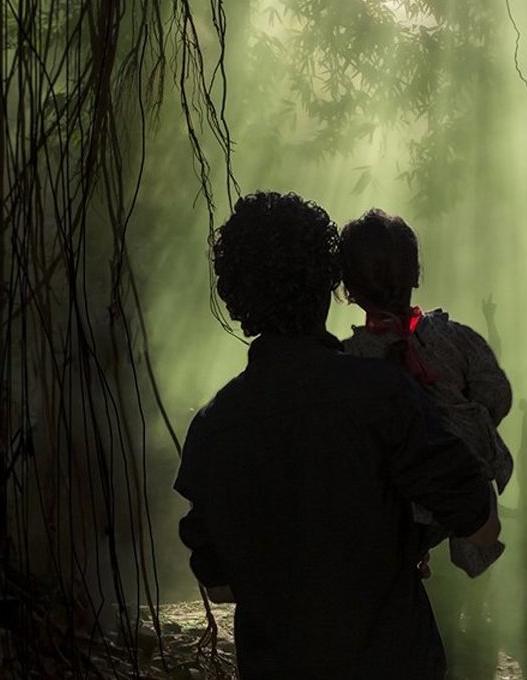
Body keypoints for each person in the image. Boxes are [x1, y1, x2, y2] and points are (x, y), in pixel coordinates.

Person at [174, 191, 499, 680]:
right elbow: (480, 524)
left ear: (236, 295)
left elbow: (219, 584)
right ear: (330, 284)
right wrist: (409, 539)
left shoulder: (212, 429)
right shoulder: (381, 395)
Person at [337, 208, 514, 577]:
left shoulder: (346, 362)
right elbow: (497, 394)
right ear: (416, 273)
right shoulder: (455, 339)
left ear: (349, 289)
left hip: (384, 508)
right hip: (456, 498)